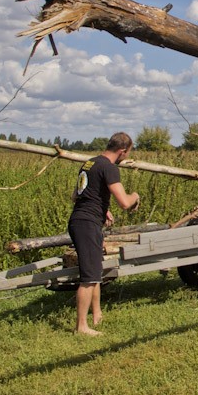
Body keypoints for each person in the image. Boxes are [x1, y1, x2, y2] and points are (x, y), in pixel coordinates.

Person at [68, 132, 140, 335]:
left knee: (94, 270)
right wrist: (136, 196)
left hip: (81, 220)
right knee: (88, 277)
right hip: (87, 224)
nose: (126, 157)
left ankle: (97, 314)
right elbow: (125, 203)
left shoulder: (90, 163)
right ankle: (81, 326)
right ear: (122, 151)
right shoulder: (109, 168)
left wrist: (103, 209)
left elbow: (77, 195)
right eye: (127, 153)